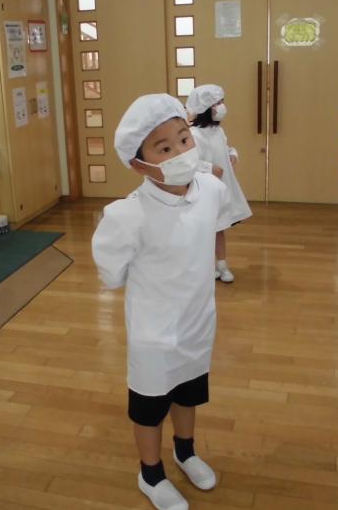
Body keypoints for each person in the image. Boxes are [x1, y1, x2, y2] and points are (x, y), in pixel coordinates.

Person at [91, 94, 231, 510]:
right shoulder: (127, 216)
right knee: (150, 407)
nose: (181, 153)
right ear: (139, 164)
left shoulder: (211, 190)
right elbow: (111, 273)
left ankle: (185, 451)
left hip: (198, 322)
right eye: (164, 148)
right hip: (153, 334)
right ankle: (150, 473)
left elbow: (212, 226)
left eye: (184, 139)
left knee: (189, 394)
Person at [186, 84, 252, 283]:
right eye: (218, 103)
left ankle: (221, 265)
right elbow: (189, 161)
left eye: (222, 102)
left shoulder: (218, 131)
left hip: (220, 188)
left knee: (219, 228)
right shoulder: (194, 135)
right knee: (203, 230)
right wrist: (209, 167)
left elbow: (226, 147)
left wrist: (232, 153)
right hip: (202, 190)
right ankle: (203, 267)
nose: (222, 106)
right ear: (205, 107)